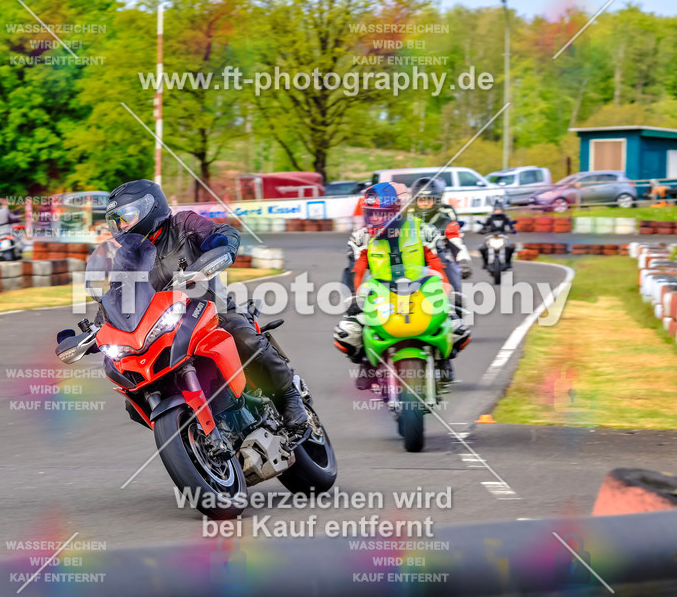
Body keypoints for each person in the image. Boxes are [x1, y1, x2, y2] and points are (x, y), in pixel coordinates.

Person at [102, 179, 309, 444]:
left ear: (148, 208)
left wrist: (218, 249)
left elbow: (224, 234)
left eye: (125, 217)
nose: (121, 226)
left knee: (244, 339)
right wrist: (99, 328)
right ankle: (190, 435)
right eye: (116, 221)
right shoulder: (126, 259)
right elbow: (116, 298)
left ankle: (289, 396)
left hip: (213, 312)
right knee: (132, 392)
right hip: (166, 329)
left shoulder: (183, 224)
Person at [333, 182, 470, 388]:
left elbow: (440, 265)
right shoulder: (360, 237)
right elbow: (355, 271)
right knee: (347, 334)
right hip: (380, 292)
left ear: (396, 211)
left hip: (421, 289)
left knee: (459, 329)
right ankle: (367, 364)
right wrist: (354, 298)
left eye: (381, 213)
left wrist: (449, 292)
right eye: (371, 213)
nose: (374, 219)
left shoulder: (424, 231)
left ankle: (443, 360)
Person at [409, 176, 473, 279]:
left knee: (454, 287)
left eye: (429, 200)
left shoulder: (446, 219)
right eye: (421, 200)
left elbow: (456, 242)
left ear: (437, 201)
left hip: (440, 265)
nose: (425, 203)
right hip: (412, 267)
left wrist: (463, 261)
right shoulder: (406, 218)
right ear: (414, 201)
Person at [477, 201, 517, 269]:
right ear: (494, 210)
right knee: (482, 248)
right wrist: (482, 230)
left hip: (502, 235)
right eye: (496, 209)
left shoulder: (505, 217)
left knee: (511, 247)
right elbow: (485, 226)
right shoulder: (490, 218)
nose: (498, 211)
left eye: (499, 209)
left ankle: (508, 262)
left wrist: (512, 230)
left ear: (502, 210)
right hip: (491, 235)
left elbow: (510, 225)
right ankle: (485, 262)